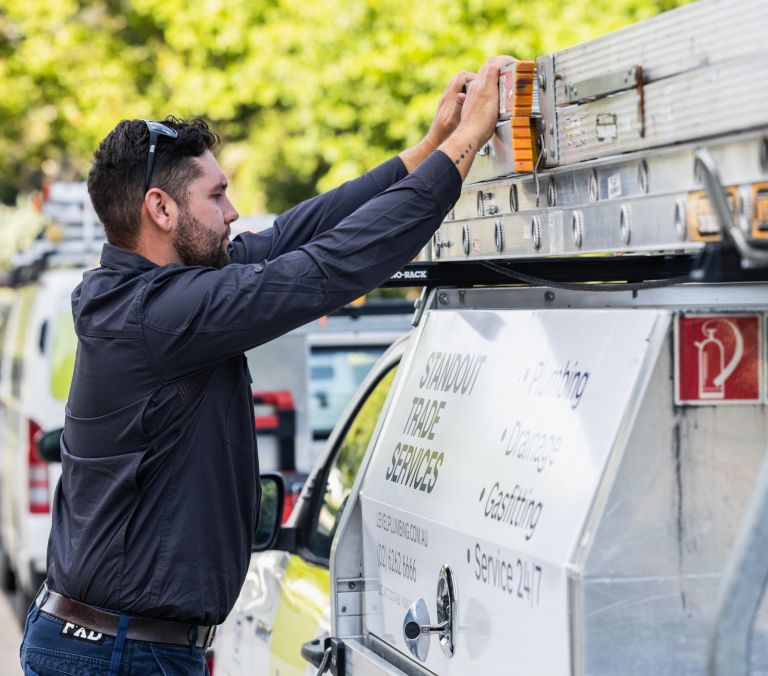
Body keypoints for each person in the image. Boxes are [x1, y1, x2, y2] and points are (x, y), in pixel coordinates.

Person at [19, 54, 512, 675]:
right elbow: (324, 270)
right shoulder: (161, 315)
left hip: (120, 647)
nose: (232, 213)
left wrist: (429, 147)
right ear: (161, 210)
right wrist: (469, 144)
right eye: (217, 195)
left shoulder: (153, 299)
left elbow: (293, 237)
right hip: (121, 656)